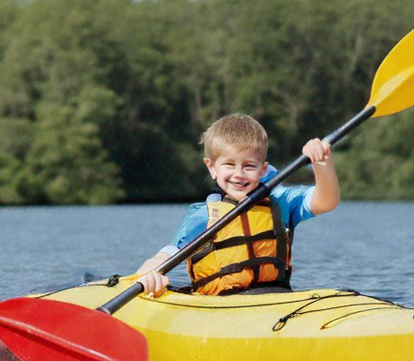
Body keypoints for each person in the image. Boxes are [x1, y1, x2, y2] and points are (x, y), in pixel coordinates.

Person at [136, 114, 340, 297]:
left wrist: (321, 164)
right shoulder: (204, 216)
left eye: (249, 166)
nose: (239, 174)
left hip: (277, 301)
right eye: (229, 165)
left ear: (263, 170)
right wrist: (150, 273)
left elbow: (326, 201)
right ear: (212, 167)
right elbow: (167, 254)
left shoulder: (281, 202)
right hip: (222, 308)